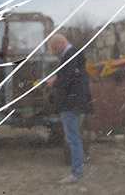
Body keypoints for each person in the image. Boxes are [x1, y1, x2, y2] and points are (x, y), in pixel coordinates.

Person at [46, 33, 93, 184]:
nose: (54, 51)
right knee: (74, 138)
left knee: (73, 138)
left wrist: (54, 83)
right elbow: (70, 76)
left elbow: (68, 80)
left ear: (61, 42)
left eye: (55, 48)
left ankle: (76, 173)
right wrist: (57, 78)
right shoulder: (75, 53)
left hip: (70, 103)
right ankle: (76, 172)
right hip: (74, 102)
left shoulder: (70, 55)